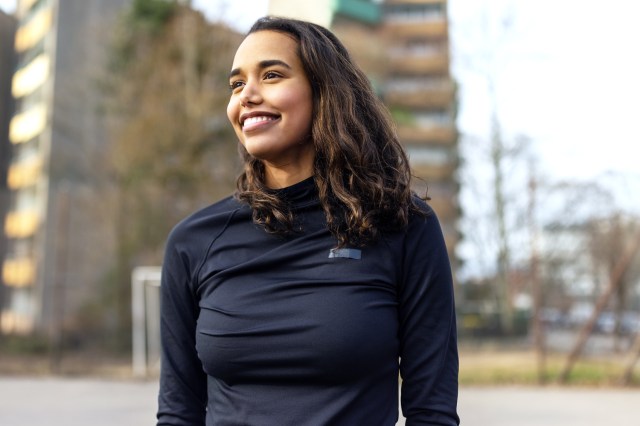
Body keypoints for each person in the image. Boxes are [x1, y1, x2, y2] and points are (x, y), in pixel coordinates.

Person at [157, 16, 459, 426]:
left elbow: (432, 412)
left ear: (325, 92)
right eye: (237, 84)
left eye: (272, 74)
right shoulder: (193, 241)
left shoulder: (404, 225)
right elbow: (178, 413)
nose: (247, 95)